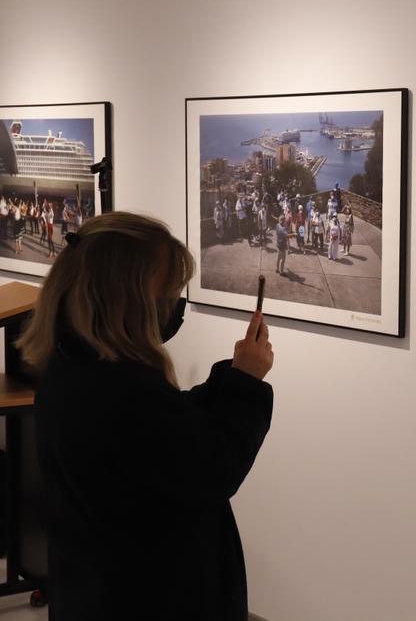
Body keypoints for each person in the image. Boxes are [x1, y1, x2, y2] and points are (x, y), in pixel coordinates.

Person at [15, 212, 274, 620]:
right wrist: (247, 385)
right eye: (168, 290)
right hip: (148, 596)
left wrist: (232, 379)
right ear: (127, 297)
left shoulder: (74, 365)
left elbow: (168, 430)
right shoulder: (122, 389)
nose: (173, 303)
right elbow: (213, 468)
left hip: (95, 591)